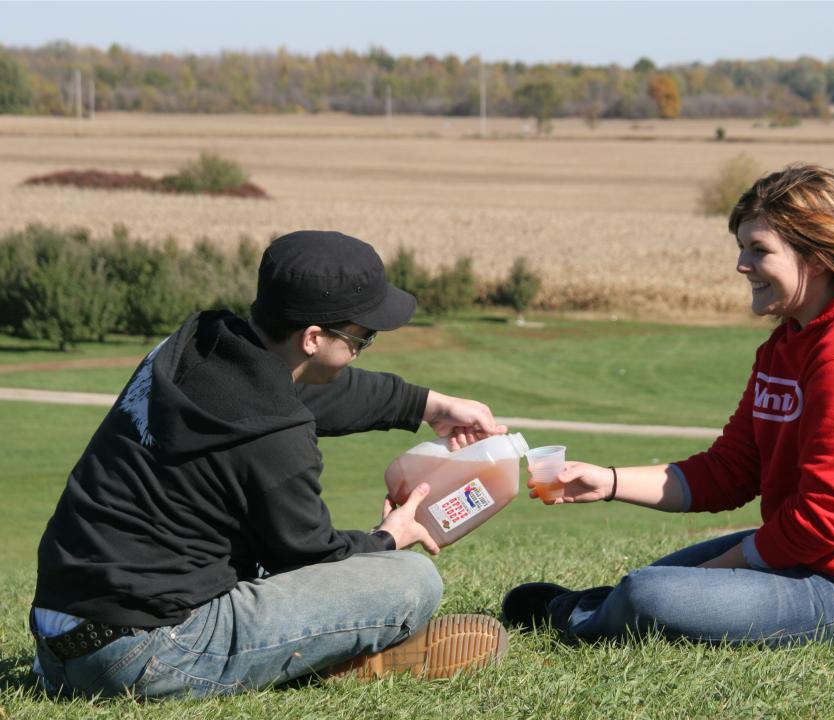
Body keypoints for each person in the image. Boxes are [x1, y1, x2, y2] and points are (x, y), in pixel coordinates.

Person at [31, 230, 509, 698]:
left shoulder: (199, 342)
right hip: (146, 652)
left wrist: (429, 405)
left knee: (253, 545)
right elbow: (309, 557)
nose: (363, 346)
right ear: (313, 338)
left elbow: (310, 390)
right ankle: (336, 659)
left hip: (59, 633)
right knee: (412, 580)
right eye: (362, 338)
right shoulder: (274, 433)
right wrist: (389, 537)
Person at [502, 164, 834, 647]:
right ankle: (588, 608)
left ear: (818, 256)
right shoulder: (788, 342)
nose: (742, 264)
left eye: (759, 250)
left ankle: (580, 615)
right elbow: (731, 470)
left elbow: (826, 517)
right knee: (655, 581)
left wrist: (721, 570)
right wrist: (608, 481)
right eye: (741, 247)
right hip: (809, 561)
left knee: (647, 593)